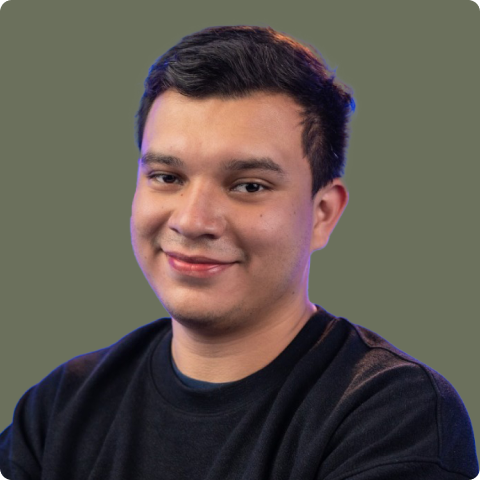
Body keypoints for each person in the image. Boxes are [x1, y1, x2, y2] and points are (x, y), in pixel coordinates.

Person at [0, 25, 477, 480]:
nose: (192, 221)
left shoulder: (392, 414)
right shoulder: (61, 406)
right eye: (167, 177)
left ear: (323, 214)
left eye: (248, 186)